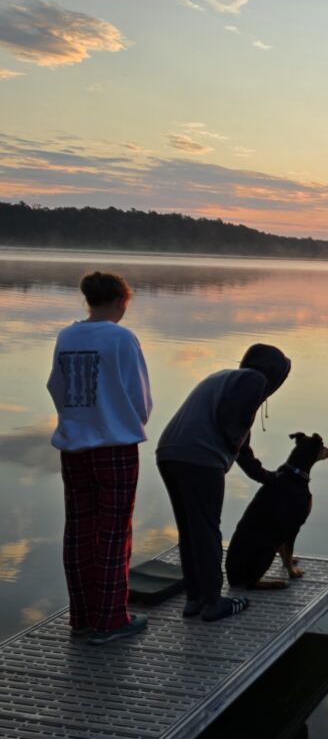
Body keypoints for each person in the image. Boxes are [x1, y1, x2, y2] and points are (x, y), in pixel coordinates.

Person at [46, 271, 153, 645]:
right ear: (121, 300)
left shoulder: (67, 335)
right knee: (113, 532)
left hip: (74, 447)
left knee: (78, 531)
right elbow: (139, 397)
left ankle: (82, 618)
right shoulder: (121, 338)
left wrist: (79, 421)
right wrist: (128, 421)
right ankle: (111, 620)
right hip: (115, 447)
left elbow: (56, 387)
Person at [156, 343, 290, 621]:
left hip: (170, 453)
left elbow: (241, 446)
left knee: (191, 531)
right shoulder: (255, 380)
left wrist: (268, 478)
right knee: (207, 531)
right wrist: (230, 443)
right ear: (274, 373)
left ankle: (195, 599)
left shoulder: (229, 380)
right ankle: (214, 602)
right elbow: (231, 427)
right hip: (200, 459)